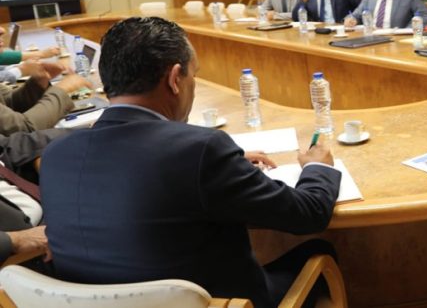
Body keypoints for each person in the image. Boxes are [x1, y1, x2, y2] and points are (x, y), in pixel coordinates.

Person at [41, 17, 341, 307]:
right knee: (318, 250)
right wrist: (318, 167)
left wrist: (230, 168)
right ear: (175, 79)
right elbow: (308, 214)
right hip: (224, 303)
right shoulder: (201, 150)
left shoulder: (55, 155)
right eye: (193, 75)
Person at [0, 128, 71, 262]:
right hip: (26, 255)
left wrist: (85, 132)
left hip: (52, 215)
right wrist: (14, 240)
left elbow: (9, 146)